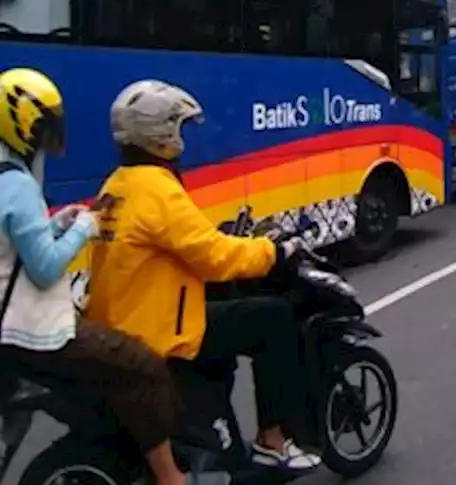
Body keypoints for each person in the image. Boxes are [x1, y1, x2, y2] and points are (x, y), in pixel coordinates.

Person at [85, 80, 322, 473]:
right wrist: (272, 251)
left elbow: (182, 240)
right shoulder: (157, 189)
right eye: (179, 125)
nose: (183, 136)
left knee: (227, 314)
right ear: (162, 133)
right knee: (272, 318)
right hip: (158, 331)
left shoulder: (118, 184)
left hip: (125, 320)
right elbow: (214, 257)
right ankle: (273, 441)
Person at [0, 69, 187, 485]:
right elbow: (46, 268)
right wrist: (84, 228)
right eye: (45, 127)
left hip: (10, 327)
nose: (53, 138)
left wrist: (56, 225)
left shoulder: (4, 177)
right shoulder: (18, 186)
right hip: (36, 331)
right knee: (144, 367)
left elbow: (13, 249)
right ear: (22, 124)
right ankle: (171, 477)